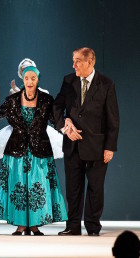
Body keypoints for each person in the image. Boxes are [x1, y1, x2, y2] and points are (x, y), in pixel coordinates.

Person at [0, 66, 68, 235]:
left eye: (33, 78)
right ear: (23, 80)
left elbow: (57, 121)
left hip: (39, 150)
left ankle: (34, 224)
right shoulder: (13, 100)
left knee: (37, 187)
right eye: (27, 78)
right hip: (16, 150)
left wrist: (68, 126)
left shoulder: (47, 100)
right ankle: (21, 225)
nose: (30, 82)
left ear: (38, 80)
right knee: (18, 187)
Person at [53, 47, 120, 236]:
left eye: (77, 61)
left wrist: (110, 147)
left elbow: (113, 119)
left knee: (95, 188)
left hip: (97, 147)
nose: (73, 65)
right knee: (73, 188)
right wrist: (65, 126)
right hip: (73, 145)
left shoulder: (106, 84)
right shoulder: (69, 81)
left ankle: (92, 226)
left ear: (90, 62)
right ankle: (72, 226)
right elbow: (56, 107)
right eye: (73, 60)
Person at [0, 58, 63, 160]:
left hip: (39, 138)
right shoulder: (13, 96)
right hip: (18, 137)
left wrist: (66, 128)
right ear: (21, 74)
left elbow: (54, 118)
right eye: (24, 70)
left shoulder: (45, 96)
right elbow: (0, 113)